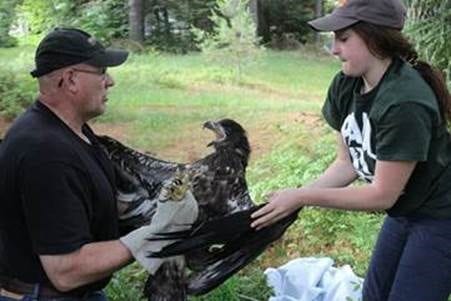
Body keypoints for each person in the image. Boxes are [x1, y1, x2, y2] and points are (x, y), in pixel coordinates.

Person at [251, 0, 451, 300]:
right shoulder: (347, 85)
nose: (334, 49)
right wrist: (292, 198)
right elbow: (347, 163)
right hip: (405, 210)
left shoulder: (405, 101)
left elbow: (381, 194)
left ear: (374, 38)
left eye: (343, 39)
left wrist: (304, 196)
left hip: (441, 216)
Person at [0, 28, 159, 301]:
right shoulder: (45, 153)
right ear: (71, 79)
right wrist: (151, 237)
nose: (110, 81)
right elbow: (66, 272)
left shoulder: (73, 132)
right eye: (101, 71)